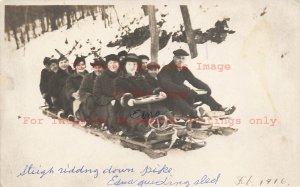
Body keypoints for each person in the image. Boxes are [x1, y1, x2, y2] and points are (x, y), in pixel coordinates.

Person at [157, 49, 235, 118]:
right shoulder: (166, 69)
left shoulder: (184, 69)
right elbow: (167, 85)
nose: (180, 60)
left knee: (202, 94)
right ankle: (191, 114)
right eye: (178, 58)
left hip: (182, 94)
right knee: (177, 96)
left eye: (183, 58)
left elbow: (194, 80)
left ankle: (218, 108)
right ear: (174, 58)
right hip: (168, 97)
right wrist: (185, 90)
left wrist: (206, 87)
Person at [113, 53, 173, 139]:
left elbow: (148, 88)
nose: (132, 66)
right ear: (125, 65)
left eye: (135, 64)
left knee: (163, 110)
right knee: (137, 116)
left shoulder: (140, 78)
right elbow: (118, 93)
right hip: (127, 109)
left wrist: (158, 91)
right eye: (129, 64)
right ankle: (146, 133)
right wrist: (127, 99)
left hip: (144, 106)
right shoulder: (119, 80)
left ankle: (172, 126)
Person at [93, 54, 121, 131]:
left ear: (118, 64)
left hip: (120, 103)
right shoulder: (100, 78)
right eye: (110, 62)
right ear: (107, 65)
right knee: (113, 108)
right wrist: (110, 100)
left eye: (115, 62)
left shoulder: (122, 76)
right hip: (104, 106)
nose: (113, 65)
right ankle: (115, 128)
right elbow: (96, 96)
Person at [77, 57, 106, 122]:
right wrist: (88, 96)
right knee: (90, 103)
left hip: (102, 100)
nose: (98, 69)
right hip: (90, 102)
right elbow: (82, 91)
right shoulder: (87, 77)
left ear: (103, 68)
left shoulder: (106, 78)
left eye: (100, 67)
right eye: (96, 67)